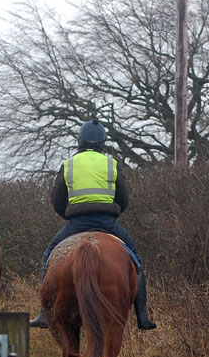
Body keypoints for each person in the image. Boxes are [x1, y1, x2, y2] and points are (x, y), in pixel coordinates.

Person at [30, 119, 157, 330]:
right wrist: (112, 215)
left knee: (49, 255)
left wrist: (67, 216)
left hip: (77, 223)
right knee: (135, 259)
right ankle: (142, 316)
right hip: (107, 223)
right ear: (103, 141)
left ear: (79, 140)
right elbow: (123, 199)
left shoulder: (69, 164)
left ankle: (44, 313)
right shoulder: (111, 164)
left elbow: (57, 200)